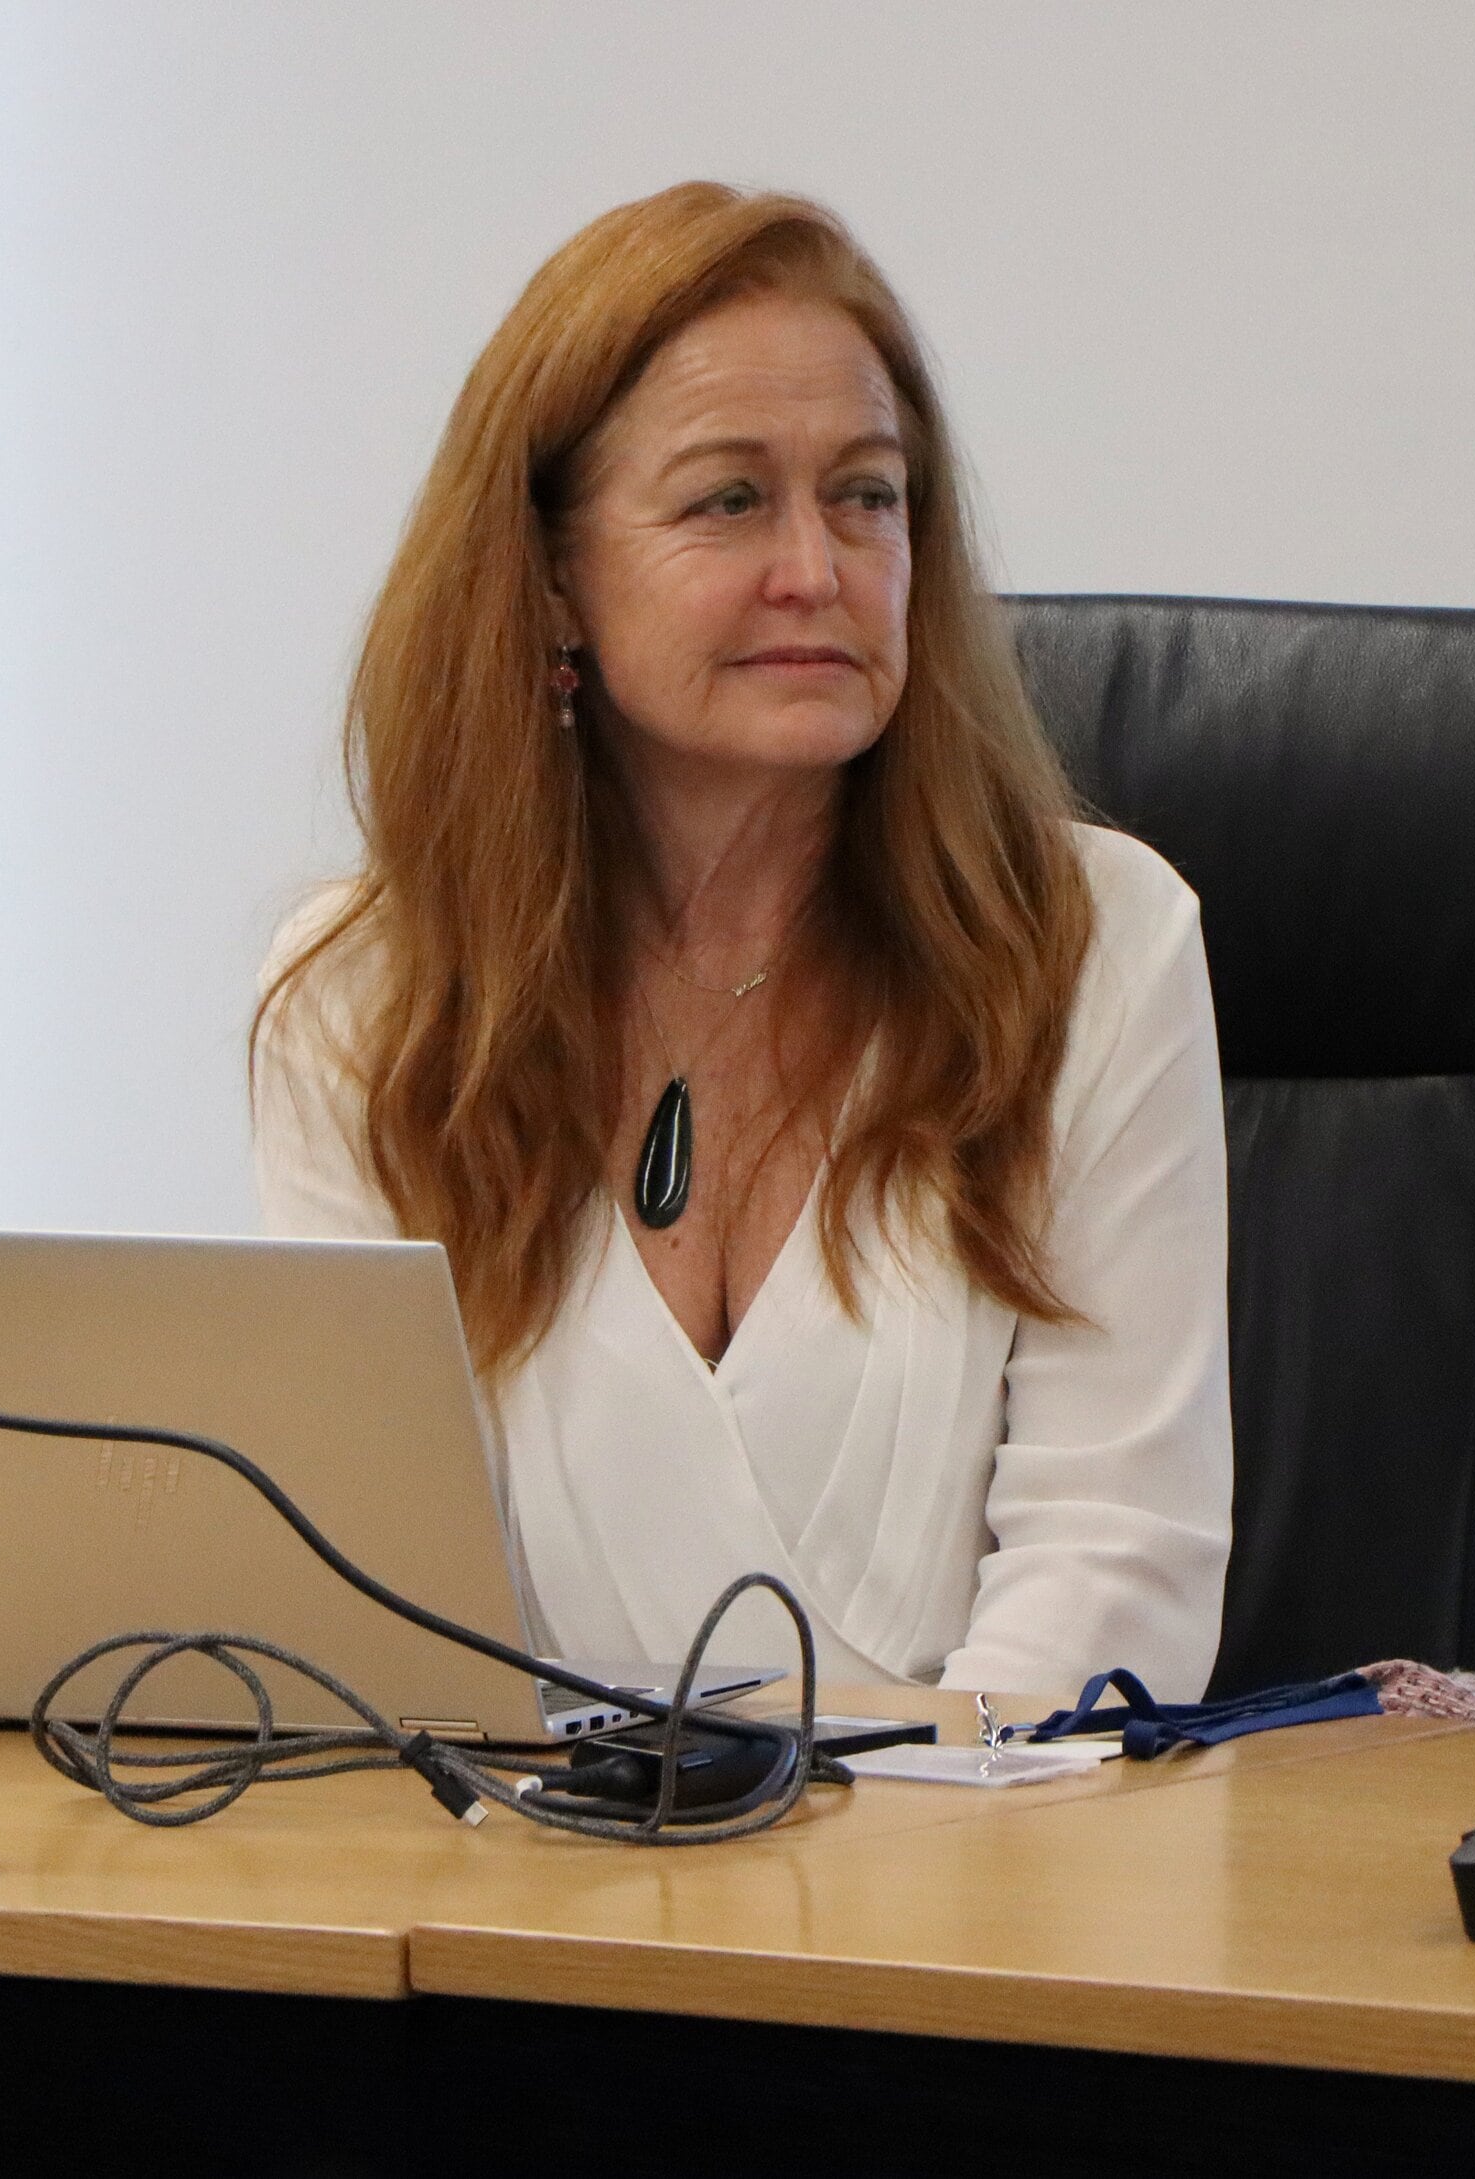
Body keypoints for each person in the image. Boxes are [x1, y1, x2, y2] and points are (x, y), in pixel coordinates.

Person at [252, 183, 1230, 1697]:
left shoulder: (1089, 945)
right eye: (728, 501)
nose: (818, 571)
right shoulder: (371, 1000)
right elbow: (360, 1596)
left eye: (867, 496)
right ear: (550, 574)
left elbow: (1117, 1565)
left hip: (985, 1891)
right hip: (514, 1890)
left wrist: (874, 1886)